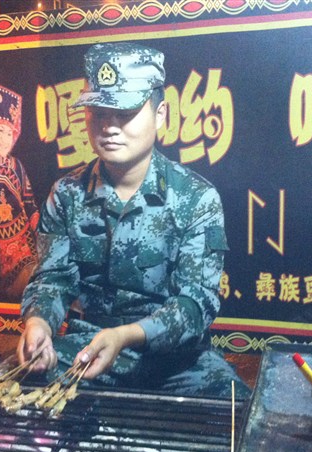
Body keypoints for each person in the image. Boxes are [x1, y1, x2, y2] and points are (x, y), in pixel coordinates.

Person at [17, 42, 249, 399]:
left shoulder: (196, 198)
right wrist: (38, 323)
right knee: (9, 387)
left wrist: (125, 336)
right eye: (98, 112)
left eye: (124, 113)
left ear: (160, 114)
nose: (109, 127)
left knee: (233, 404)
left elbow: (194, 306)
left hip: (176, 362)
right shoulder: (66, 194)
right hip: (88, 350)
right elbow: (52, 280)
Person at [0, 79, 39, 300]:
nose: (5, 139)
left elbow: (30, 204)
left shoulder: (17, 165)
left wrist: (42, 236)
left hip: (27, 241)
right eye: (1, 131)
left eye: (10, 133)